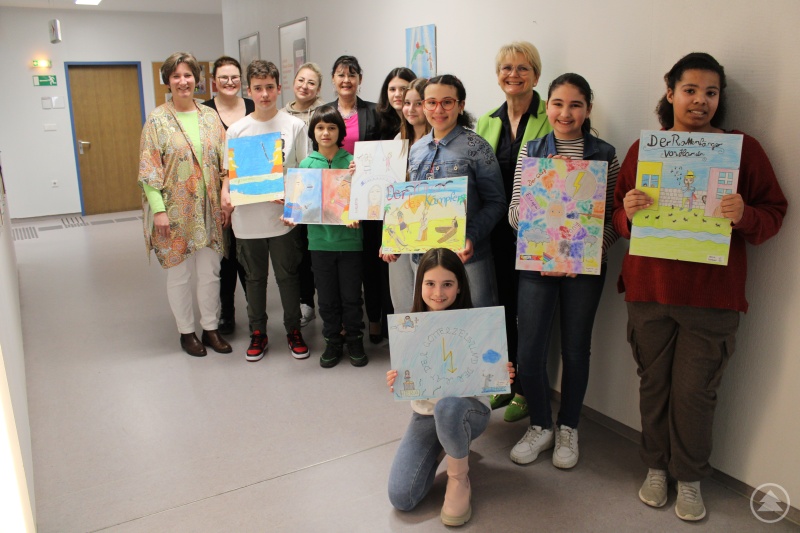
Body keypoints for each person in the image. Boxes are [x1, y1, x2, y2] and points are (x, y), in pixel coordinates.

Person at [613, 53, 786, 521]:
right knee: (653, 386)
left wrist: (745, 215)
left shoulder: (741, 150)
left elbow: (774, 213)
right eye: (690, 90)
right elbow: (617, 218)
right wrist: (629, 212)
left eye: (711, 92)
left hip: (711, 297)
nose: (701, 101)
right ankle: (656, 467)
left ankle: (689, 477)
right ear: (670, 92)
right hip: (649, 292)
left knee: (696, 393)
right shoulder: (645, 149)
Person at [507, 73, 619, 470]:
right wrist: (545, 185)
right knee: (529, 350)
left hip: (582, 269)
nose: (565, 113)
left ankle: (569, 425)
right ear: (547, 106)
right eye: (558, 103)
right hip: (537, 263)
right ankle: (540, 424)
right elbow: (514, 214)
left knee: (575, 349)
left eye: (575, 105)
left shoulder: (604, 154)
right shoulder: (533, 150)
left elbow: (611, 219)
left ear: (588, 109)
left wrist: (584, 254)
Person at [386, 248, 515, 527]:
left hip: (467, 411)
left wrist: (499, 371)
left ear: (459, 287)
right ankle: (449, 443)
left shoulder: (476, 323)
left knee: (448, 407)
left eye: (447, 284)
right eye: (430, 283)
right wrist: (398, 379)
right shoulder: (410, 326)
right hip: (426, 414)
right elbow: (413, 379)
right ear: (419, 285)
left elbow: (489, 366)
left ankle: (459, 478)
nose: (438, 293)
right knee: (402, 497)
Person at [476, 41, 553, 422]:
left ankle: (525, 388)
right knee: (501, 307)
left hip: (536, 230)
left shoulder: (550, 115)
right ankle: (503, 381)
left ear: (536, 76)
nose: (514, 74)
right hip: (496, 231)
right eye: (506, 68)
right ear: (498, 75)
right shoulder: (487, 121)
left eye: (523, 68)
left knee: (531, 315)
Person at [138, 52, 231, 357]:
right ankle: (186, 332)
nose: (183, 81)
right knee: (179, 275)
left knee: (210, 272)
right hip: (175, 210)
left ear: (197, 79)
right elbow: (149, 170)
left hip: (210, 208)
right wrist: (159, 211)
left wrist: (226, 197)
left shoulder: (210, 117)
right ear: (168, 81)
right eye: (176, 76)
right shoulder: (157, 120)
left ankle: (210, 328)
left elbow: (225, 162)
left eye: (188, 75)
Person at [221, 60, 310, 362]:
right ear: (249, 90)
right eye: (258, 88)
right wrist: (226, 194)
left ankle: (293, 329)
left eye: (270, 87)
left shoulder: (294, 126)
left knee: (288, 277)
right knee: (254, 279)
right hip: (247, 219)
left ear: (278, 88)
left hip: (282, 219)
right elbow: (229, 174)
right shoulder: (237, 130)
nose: (264, 94)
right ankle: (257, 332)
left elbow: (304, 171)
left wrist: (292, 200)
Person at [407, 74, 506, 308]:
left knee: (478, 323)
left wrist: (470, 236)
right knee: (433, 324)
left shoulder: (477, 147)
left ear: (460, 105)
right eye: (431, 102)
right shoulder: (416, 150)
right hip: (424, 260)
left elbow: (497, 202)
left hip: (469, 259)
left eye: (447, 102)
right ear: (424, 105)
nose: (438, 109)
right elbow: (411, 203)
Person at [291, 105, 367, 367]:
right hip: (320, 243)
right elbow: (301, 204)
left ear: (340, 131)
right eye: (320, 127)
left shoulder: (354, 163)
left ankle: (355, 338)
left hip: (350, 243)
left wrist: (357, 211)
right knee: (326, 298)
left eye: (332, 127)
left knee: (352, 297)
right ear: (313, 131)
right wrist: (292, 212)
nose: (326, 133)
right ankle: (332, 340)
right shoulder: (306, 165)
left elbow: (365, 199)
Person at [326, 55, 388, 343]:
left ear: (360, 79)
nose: (346, 80)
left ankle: (374, 318)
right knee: (343, 262)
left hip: (369, 196)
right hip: (337, 196)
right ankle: (342, 322)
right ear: (333, 79)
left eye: (352, 74)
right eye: (341, 74)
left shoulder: (374, 112)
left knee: (371, 260)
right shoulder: (326, 113)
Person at [202, 56, 255, 335]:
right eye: (223, 77)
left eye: (234, 77)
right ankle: (227, 313)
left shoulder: (253, 107)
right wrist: (225, 195)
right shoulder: (204, 112)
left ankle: (254, 312)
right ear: (214, 81)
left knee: (248, 256)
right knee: (224, 257)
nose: (230, 82)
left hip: (250, 192)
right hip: (218, 194)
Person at [282, 62, 326, 328]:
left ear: (318, 88)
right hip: (293, 191)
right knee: (298, 249)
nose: (305, 86)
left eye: (311, 82)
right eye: (301, 80)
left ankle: (328, 303)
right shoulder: (281, 115)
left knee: (317, 250)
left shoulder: (325, 112)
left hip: (321, 188)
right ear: (293, 82)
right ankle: (306, 303)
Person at [381, 78, 430, 314]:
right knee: (401, 300)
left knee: (427, 300)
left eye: (418, 103)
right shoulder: (398, 142)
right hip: (400, 230)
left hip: (427, 230)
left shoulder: (437, 143)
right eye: (407, 103)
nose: (410, 109)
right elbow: (390, 193)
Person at [376, 67, 416, 140]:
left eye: (403, 89)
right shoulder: (382, 123)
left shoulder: (419, 123)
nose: (397, 94)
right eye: (392, 89)